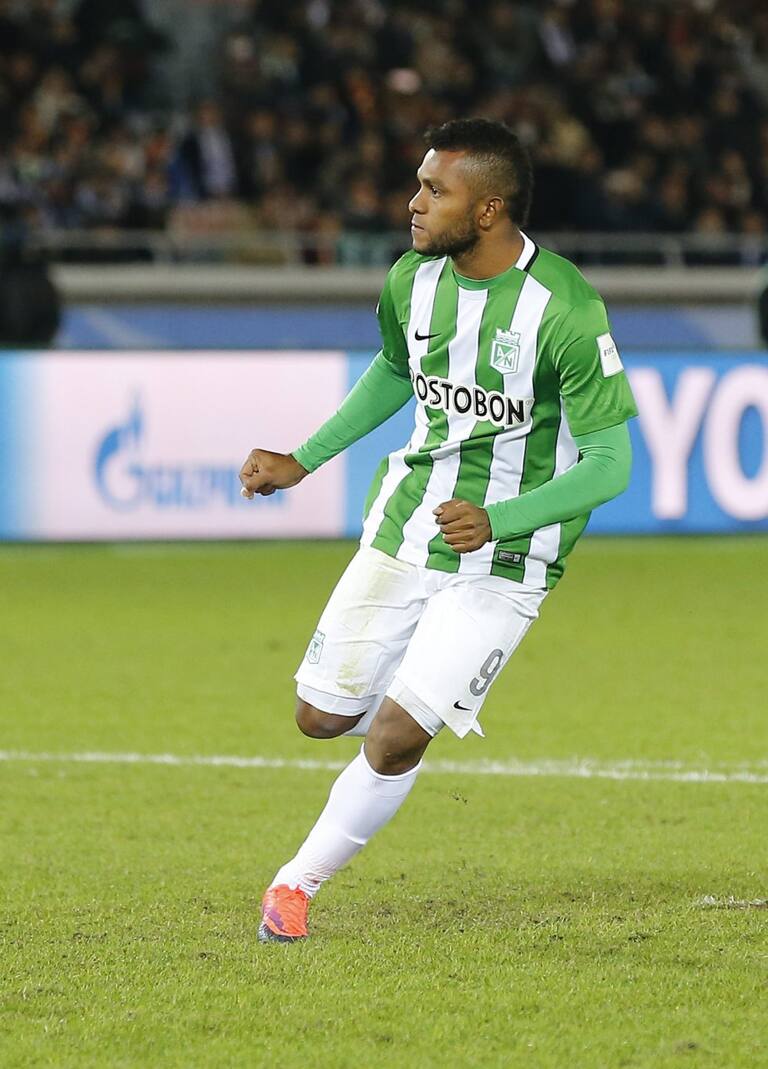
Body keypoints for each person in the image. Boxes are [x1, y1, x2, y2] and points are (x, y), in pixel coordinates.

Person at [239, 118, 637, 943]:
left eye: (434, 190)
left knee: (395, 737)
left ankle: (295, 885)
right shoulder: (411, 280)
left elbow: (611, 465)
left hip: (508, 555)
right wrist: (303, 459)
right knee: (319, 716)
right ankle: (419, 696)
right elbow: (396, 370)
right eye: (419, 186)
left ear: (488, 209)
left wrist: (500, 518)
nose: (414, 204)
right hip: (407, 524)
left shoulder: (564, 308)